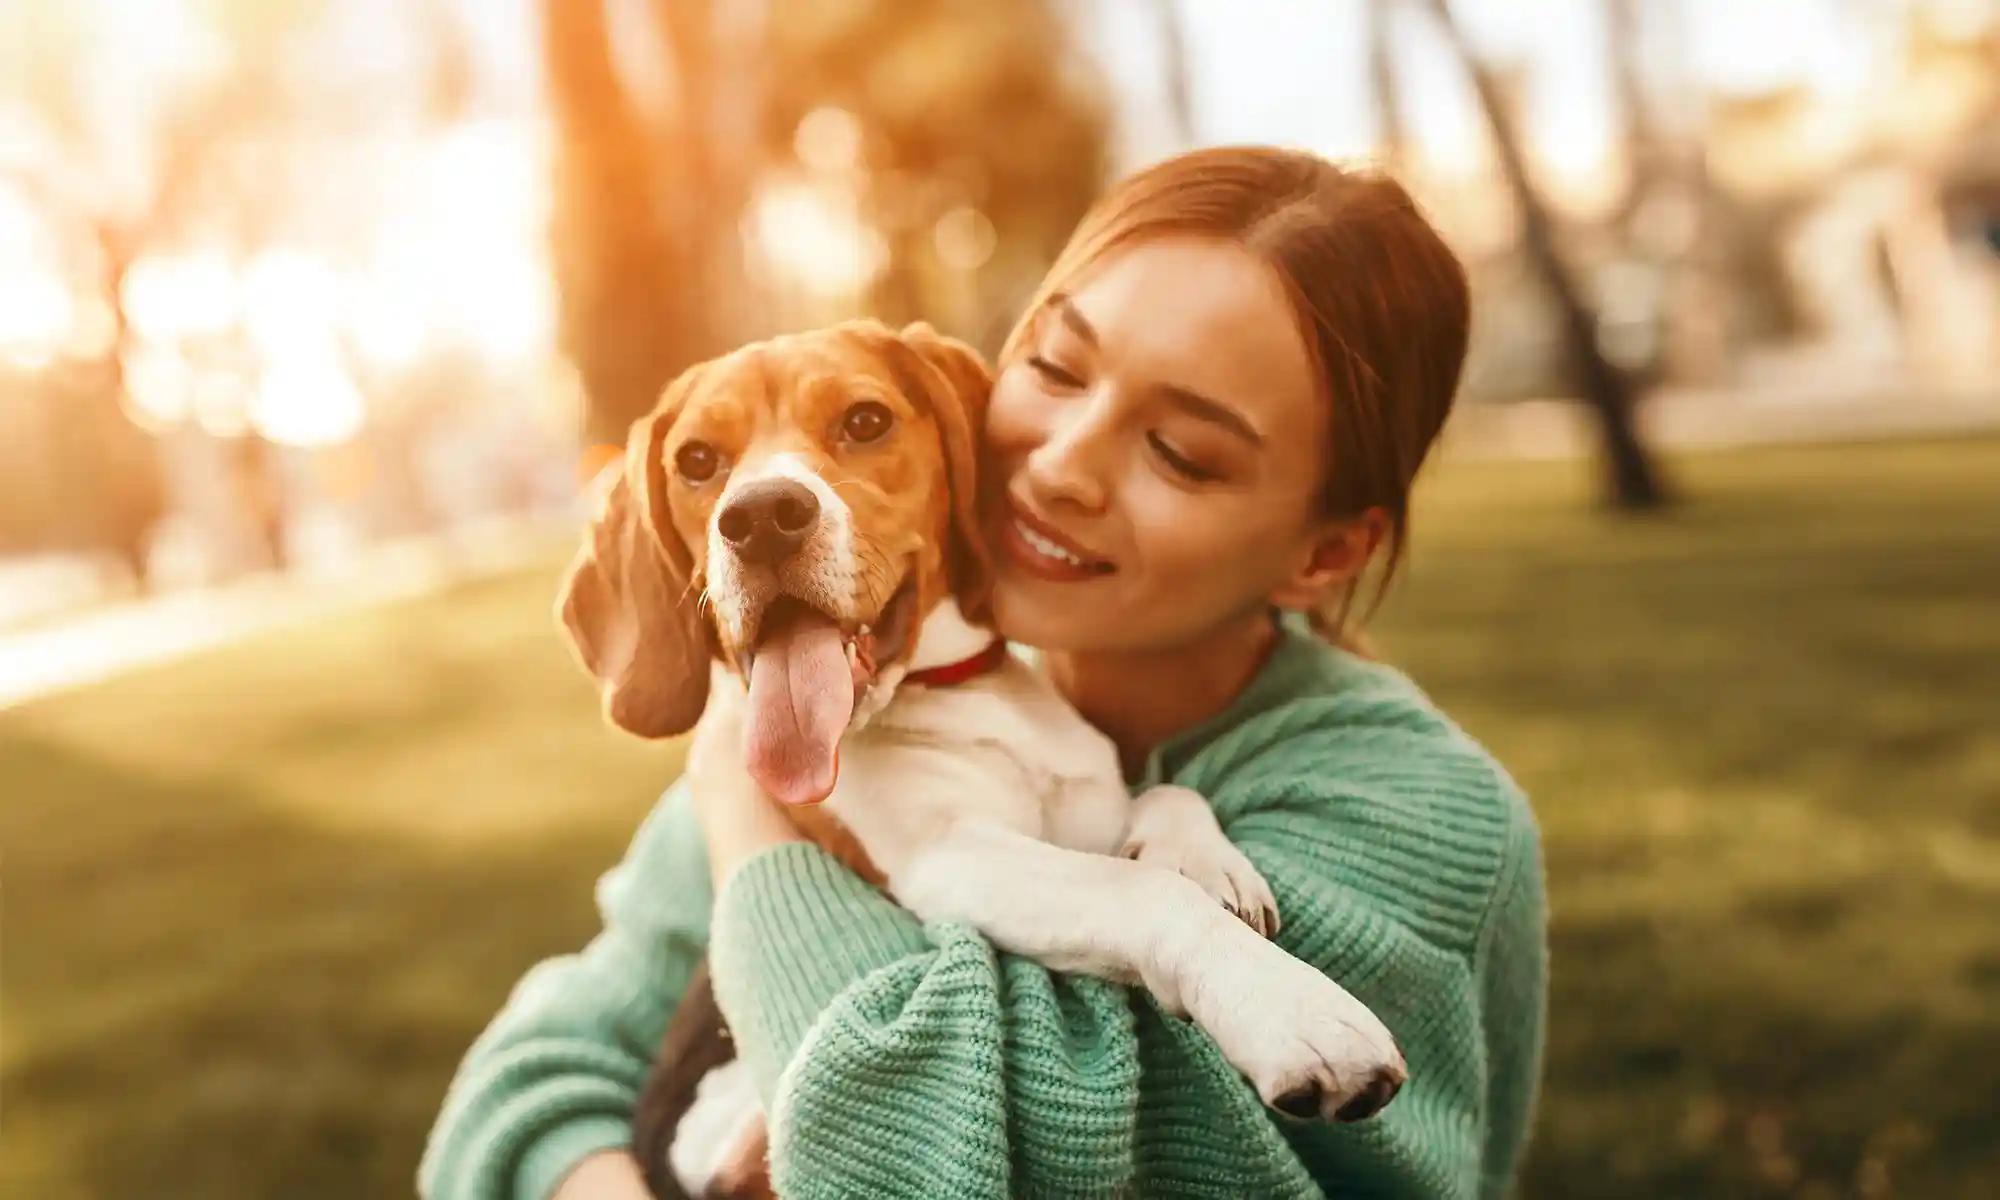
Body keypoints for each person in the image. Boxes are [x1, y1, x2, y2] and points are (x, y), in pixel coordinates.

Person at [419, 145, 1547, 1200]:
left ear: (1322, 553)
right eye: (1054, 368)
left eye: (1181, 451)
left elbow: (918, 1162)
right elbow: (528, 1082)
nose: (1057, 468)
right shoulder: (819, 710)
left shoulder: (1410, 820)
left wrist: (751, 837)